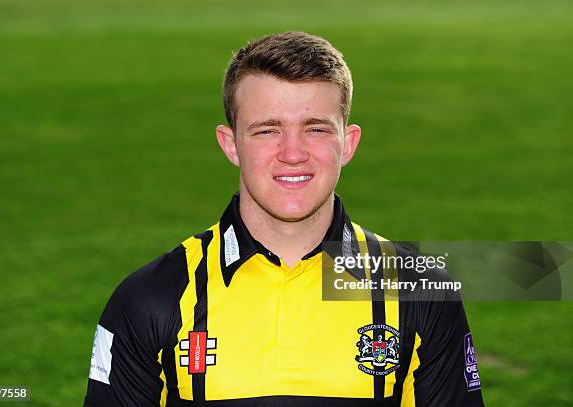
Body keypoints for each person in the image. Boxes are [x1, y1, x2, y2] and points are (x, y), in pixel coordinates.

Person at [84, 31, 484, 406]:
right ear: (231, 144)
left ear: (348, 143)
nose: (293, 153)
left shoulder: (422, 290)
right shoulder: (149, 298)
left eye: (315, 129)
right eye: (267, 131)